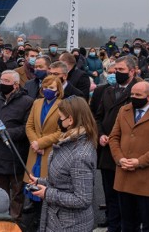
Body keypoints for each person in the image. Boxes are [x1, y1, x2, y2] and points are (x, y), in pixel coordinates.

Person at [109, 81, 149, 232]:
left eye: (138, 95)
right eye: (132, 94)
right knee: (127, 223)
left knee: (148, 224)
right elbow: (114, 138)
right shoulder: (124, 110)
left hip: (145, 178)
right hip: (123, 175)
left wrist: (139, 161)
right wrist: (120, 159)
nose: (134, 97)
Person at [28, 96, 97, 232]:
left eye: (60, 117)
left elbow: (82, 199)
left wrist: (47, 193)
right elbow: (65, 181)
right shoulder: (71, 141)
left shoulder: (80, 155)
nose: (58, 121)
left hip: (70, 225)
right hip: (59, 220)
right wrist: (40, 181)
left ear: (70, 120)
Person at [92, 56, 138, 232]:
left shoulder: (138, 91)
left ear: (132, 71)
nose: (116, 74)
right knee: (109, 192)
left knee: (126, 196)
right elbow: (98, 117)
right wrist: (101, 134)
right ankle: (113, 224)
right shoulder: (107, 91)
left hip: (127, 152)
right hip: (106, 151)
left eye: (120, 70)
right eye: (114, 70)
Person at [0, 70, 33, 220]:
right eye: (1, 81)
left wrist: (7, 133)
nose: (2, 84)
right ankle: (0, 220)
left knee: (17, 193)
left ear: (15, 85)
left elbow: (26, 127)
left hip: (15, 154)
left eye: (6, 82)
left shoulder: (27, 102)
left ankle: (14, 220)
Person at [23, 75, 63, 230]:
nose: (48, 90)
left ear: (58, 90)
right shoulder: (37, 103)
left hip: (50, 151)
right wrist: (35, 143)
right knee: (33, 181)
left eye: (52, 88)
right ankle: (34, 216)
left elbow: (61, 131)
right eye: (46, 87)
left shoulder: (62, 105)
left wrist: (41, 143)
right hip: (35, 151)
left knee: (47, 185)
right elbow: (29, 125)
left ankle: (44, 221)